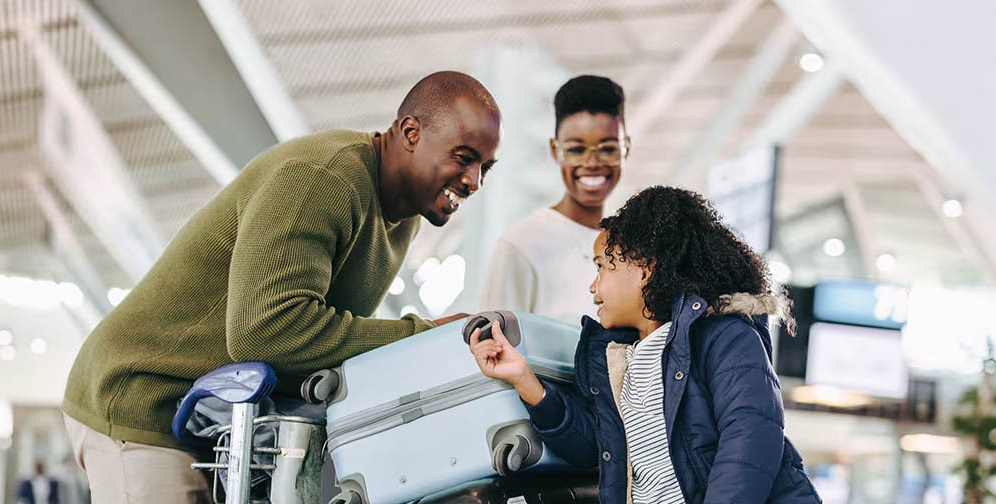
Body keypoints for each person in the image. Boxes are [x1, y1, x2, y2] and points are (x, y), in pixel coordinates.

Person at [62, 71, 502, 503]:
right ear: (410, 132)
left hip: (214, 419)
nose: (474, 181)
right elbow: (266, 331)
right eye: (463, 158)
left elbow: (323, 344)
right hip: (144, 397)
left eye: (486, 167)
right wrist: (423, 337)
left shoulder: (402, 213)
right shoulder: (321, 179)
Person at [469, 186, 821, 503]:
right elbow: (594, 448)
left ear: (644, 268)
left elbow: (749, 439)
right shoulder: (617, 359)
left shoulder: (724, 335)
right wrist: (524, 381)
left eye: (603, 267)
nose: (594, 287)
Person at [480, 75, 629, 325]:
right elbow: (492, 350)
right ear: (554, 150)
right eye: (576, 149)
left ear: (626, 148)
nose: (592, 163)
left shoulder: (633, 246)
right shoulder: (521, 246)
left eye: (608, 148)